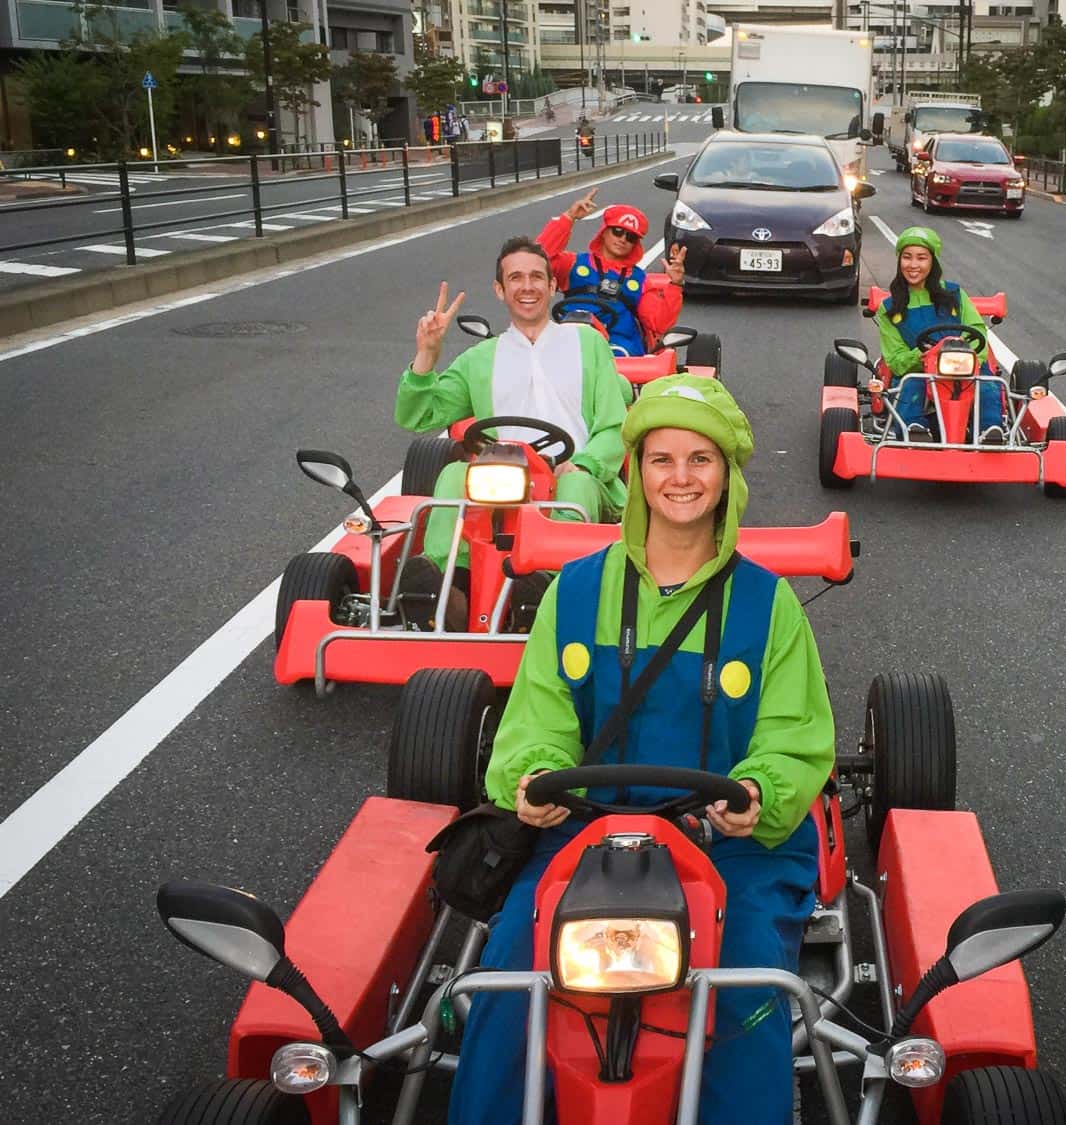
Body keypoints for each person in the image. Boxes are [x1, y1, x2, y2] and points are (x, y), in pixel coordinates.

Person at [447, 374, 835, 1125]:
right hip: (586, 832)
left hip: (731, 845)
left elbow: (794, 734)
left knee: (747, 986)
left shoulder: (769, 602)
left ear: (728, 475)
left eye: (700, 459)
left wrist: (757, 792)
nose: (681, 478)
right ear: (635, 470)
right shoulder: (577, 589)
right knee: (508, 975)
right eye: (662, 459)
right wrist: (532, 775)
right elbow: (537, 715)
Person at [394, 237, 631, 622]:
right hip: (502, 475)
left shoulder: (587, 344)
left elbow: (613, 426)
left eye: (537, 277)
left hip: (570, 470)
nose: (527, 286)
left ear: (553, 286)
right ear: (500, 290)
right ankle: (447, 591)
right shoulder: (479, 359)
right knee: (455, 473)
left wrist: (585, 464)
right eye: (516, 278)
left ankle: (546, 589)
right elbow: (418, 415)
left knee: (575, 488)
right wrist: (426, 354)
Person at [874, 225, 1006, 444]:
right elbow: (895, 359)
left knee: (989, 386)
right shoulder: (890, 308)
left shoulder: (954, 294)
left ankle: (989, 430)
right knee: (909, 386)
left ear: (932, 262)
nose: (913, 265)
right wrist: (924, 356)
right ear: (899, 261)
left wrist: (970, 357)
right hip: (920, 369)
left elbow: (978, 330)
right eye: (907, 257)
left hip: (965, 366)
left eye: (921, 258)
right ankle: (914, 430)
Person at [537, 187, 688, 356]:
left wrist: (675, 284)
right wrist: (568, 218)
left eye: (630, 237)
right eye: (618, 231)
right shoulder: (572, 263)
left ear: (635, 244)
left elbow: (658, 324)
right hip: (569, 335)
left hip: (618, 345)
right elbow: (535, 261)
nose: (622, 239)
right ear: (604, 232)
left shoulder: (640, 281)